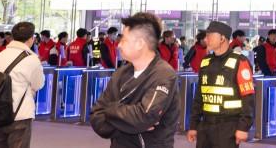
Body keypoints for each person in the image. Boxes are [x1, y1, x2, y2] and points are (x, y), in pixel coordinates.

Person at [90, 13, 179, 148]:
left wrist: (110, 110)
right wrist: (128, 123)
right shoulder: (120, 74)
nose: (119, 45)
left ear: (140, 44)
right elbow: (96, 117)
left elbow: (144, 117)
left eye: (124, 40)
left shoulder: (164, 75)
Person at [187, 21, 255, 148]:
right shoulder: (205, 62)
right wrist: (193, 125)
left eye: (210, 36)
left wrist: (243, 127)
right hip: (205, 126)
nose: (206, 39)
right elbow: (199, 97)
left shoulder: (239, 61)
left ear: (222, 38)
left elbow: (248, 98)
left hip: (228, 127)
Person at [0, 22, 45, 148]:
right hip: (20, 115)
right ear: (31, 39)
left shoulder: (1, 54)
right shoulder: (32, 59)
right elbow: (39, 84)